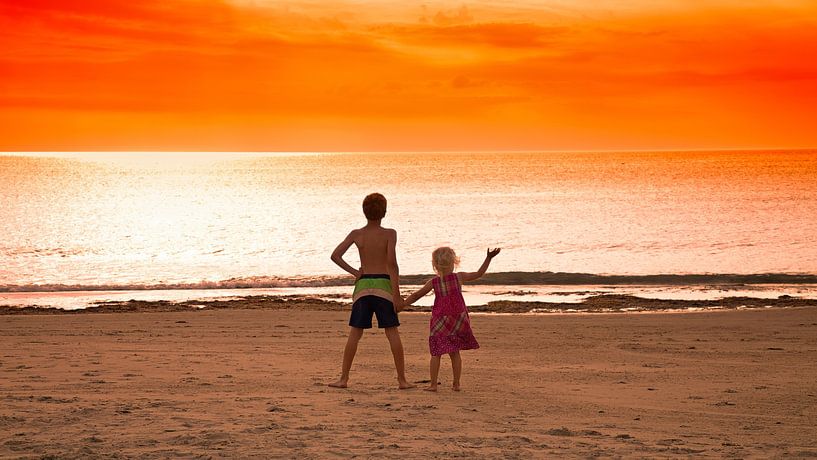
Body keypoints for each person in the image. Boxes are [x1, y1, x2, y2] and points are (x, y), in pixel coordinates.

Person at [328, 193, 414, 389]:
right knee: (392, 333)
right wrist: (397, 295)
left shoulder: (357, 234)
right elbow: (392, 264)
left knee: (355, 334)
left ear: (364, 211)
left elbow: (335, 255)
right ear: (384, 212)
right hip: (383, 285)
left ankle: (343, 378)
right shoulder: (389, 234)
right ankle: (402, 380)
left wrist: (354, 273)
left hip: (363, 287)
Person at [404, 246, 501, 391]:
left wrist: (402, 304)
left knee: (436, 352)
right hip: (458, 319)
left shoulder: (434, 282)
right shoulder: (459, 277)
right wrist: (488, 258)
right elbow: (479, 273)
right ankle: (456, 384)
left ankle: (433, 385)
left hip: (440, 320)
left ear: (435, 265)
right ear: (454, 262)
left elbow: (417, 295)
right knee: (455, 353)